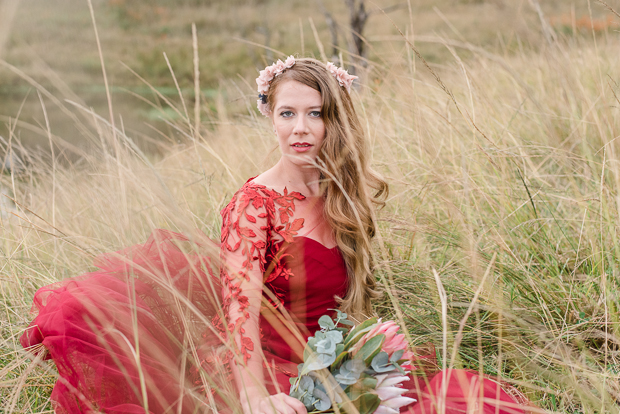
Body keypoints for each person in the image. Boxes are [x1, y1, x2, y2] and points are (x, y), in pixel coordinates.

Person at [20, 56, 528, 414]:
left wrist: (357, 354)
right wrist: (254, 396)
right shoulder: (254, 206)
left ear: (337, 120)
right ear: (270, 116)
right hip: (262, 360)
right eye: (287, 113)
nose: (300, 128)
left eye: (316, 113)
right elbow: (239, 310)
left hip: (330, 354)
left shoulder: (342, 194)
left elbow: (346, 300)